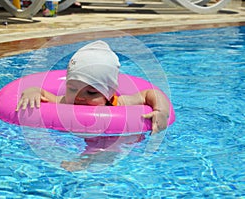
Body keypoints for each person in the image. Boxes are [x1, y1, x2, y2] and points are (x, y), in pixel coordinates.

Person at [16, 40, 170, 171]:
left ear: (109, 93)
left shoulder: (119, 104)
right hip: (80, 139)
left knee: (109, 152)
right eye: (73, 89)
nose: (79, 97)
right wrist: (32, 91)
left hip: (113, 141)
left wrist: (161, 111)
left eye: (91, 93)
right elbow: (42, 93)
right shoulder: (64, 101)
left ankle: (86, 161)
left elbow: (150, 93)